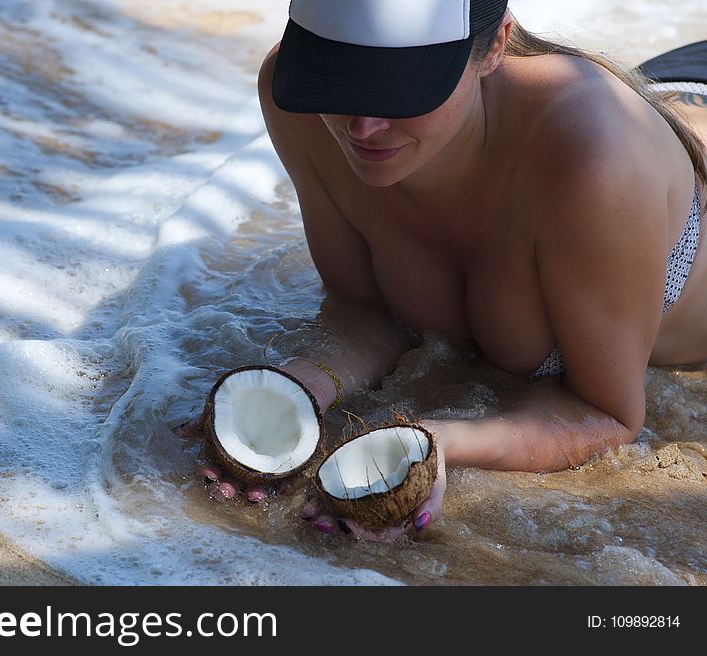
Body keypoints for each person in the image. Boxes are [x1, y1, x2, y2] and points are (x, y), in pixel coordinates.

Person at [178, 0, 707, 540]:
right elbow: (364, 310)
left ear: (495, 46)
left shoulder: (596, 159)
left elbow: (609, 412)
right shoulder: (297, 103)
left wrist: (440, 444)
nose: (362, 125)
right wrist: (294, 391)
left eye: (401, 90)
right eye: (334, 79)